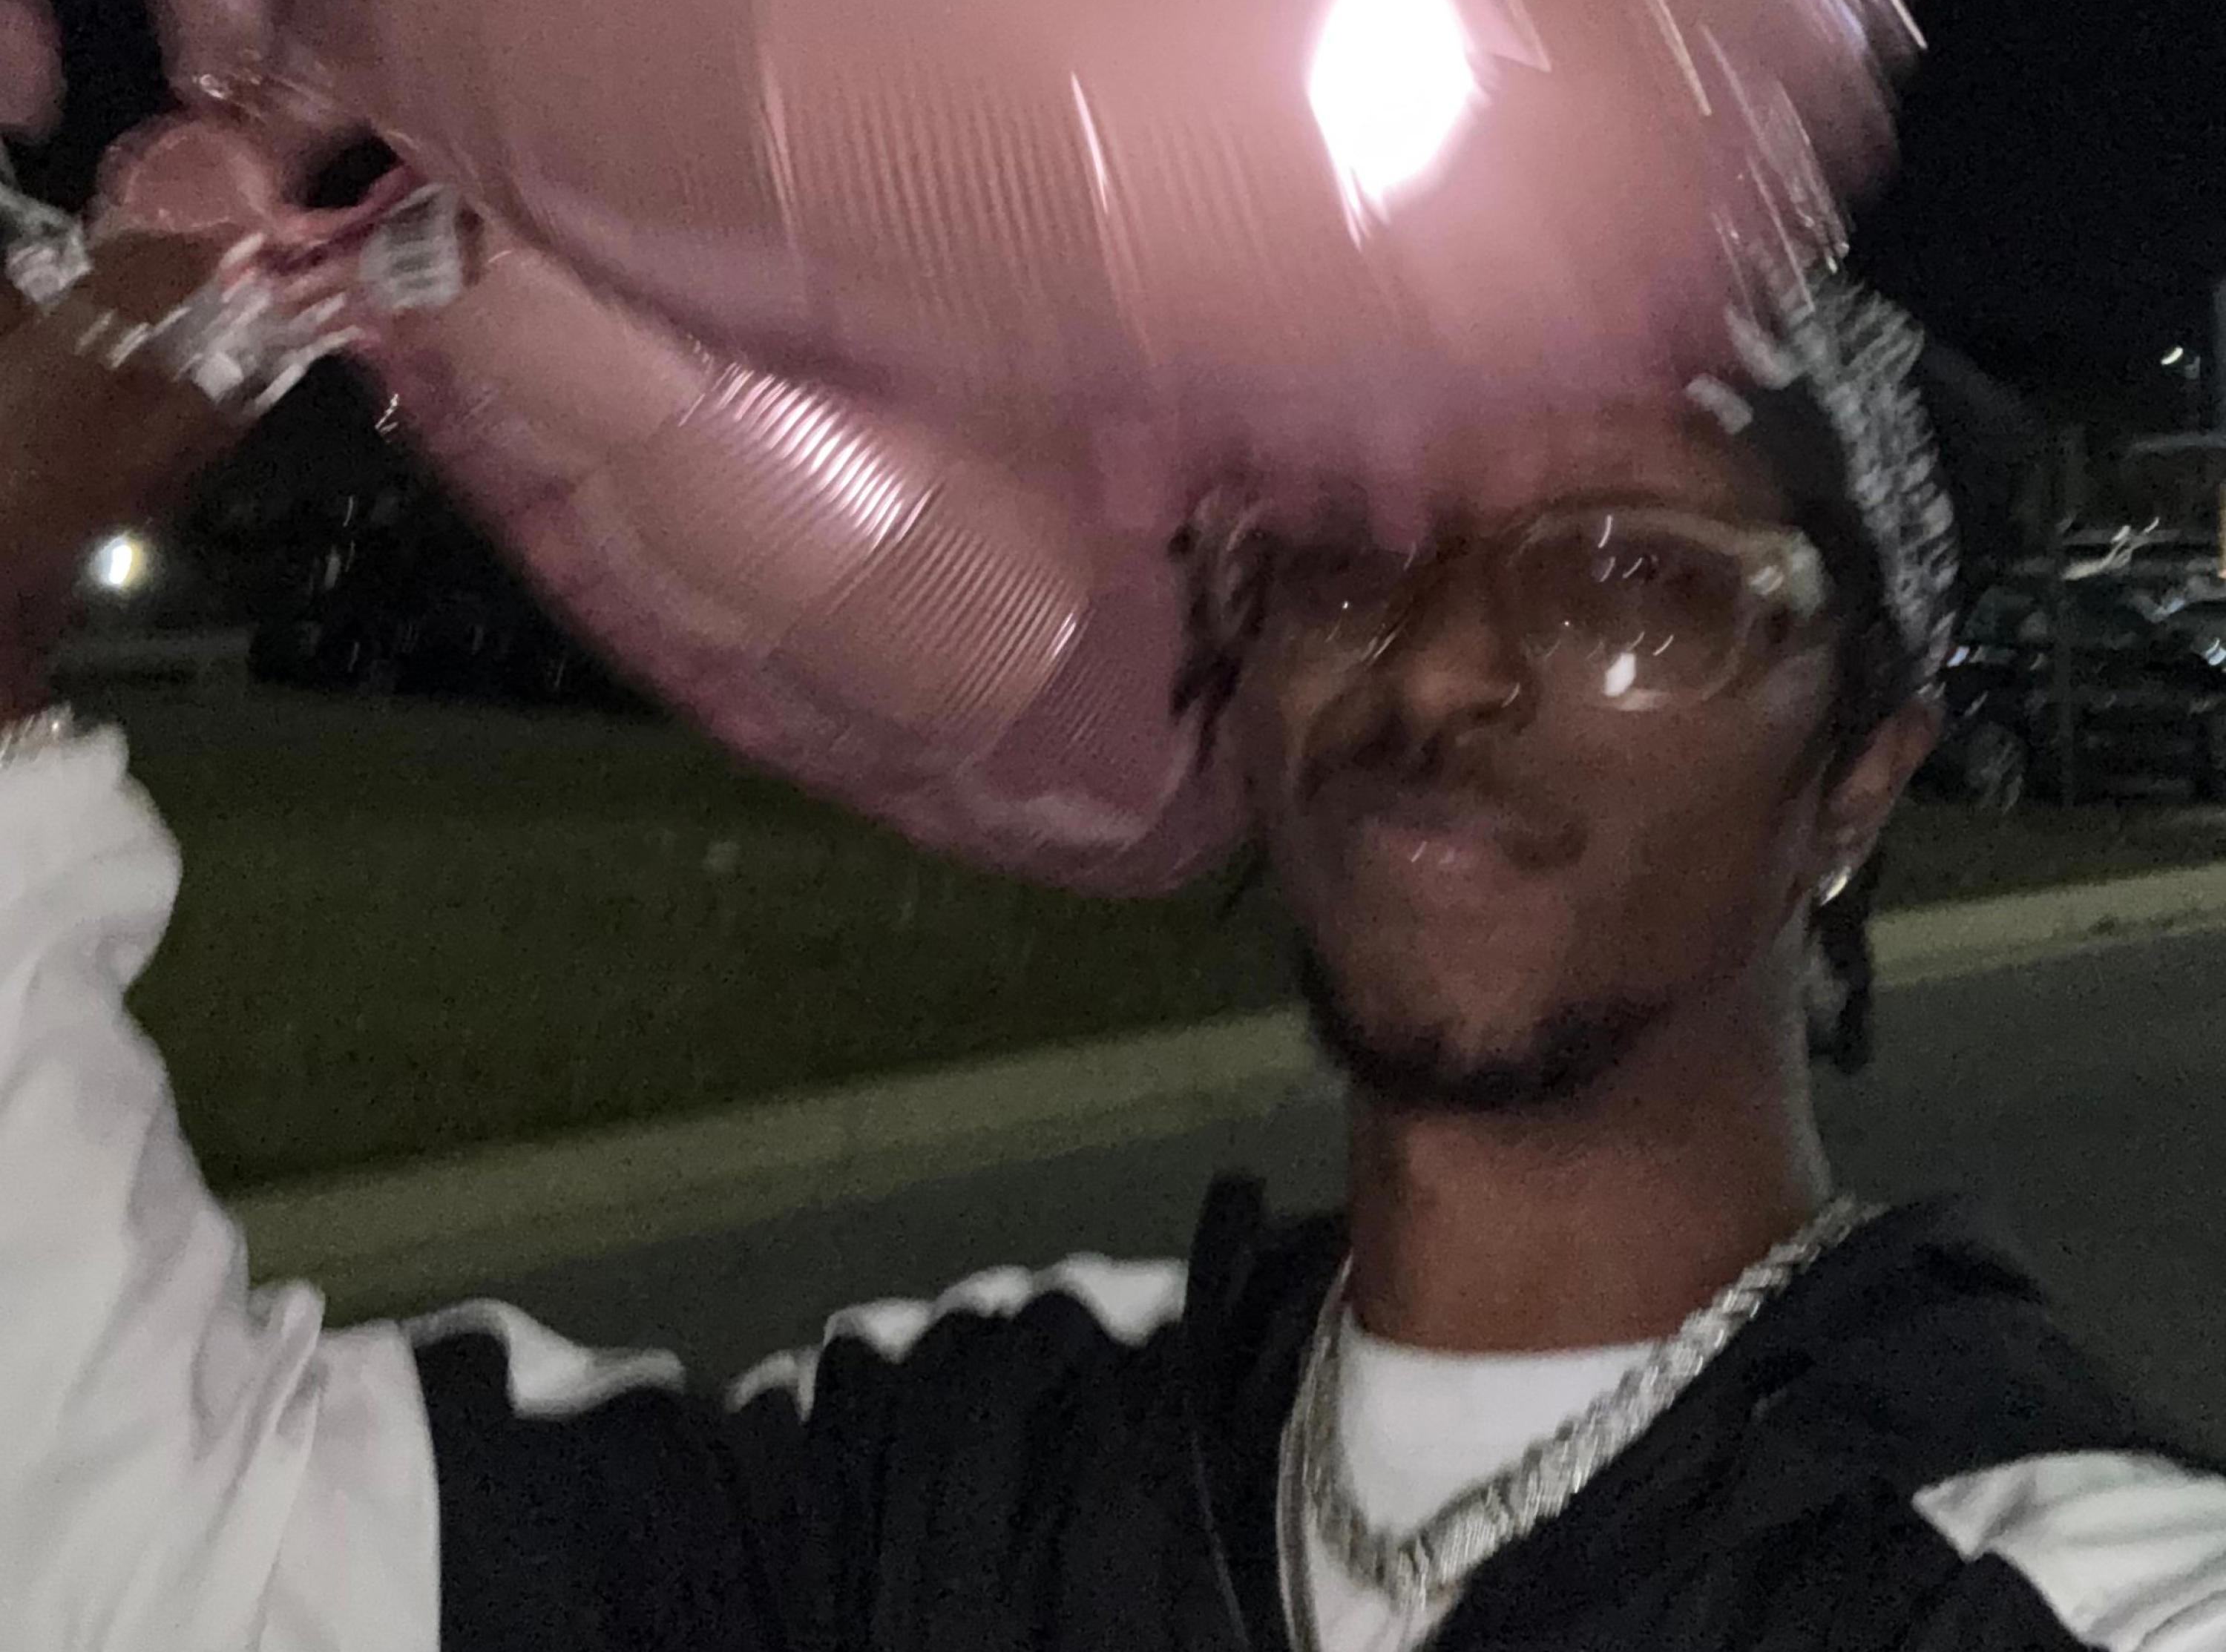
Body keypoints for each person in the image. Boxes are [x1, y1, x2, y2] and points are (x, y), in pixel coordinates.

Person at [6, 239, 2225, 1652]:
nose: (1442, 666)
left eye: (1639, 582)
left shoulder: (2018, 1581)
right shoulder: (983, 1475)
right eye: (1341, 559)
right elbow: (164, 1558)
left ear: (1858, 780)